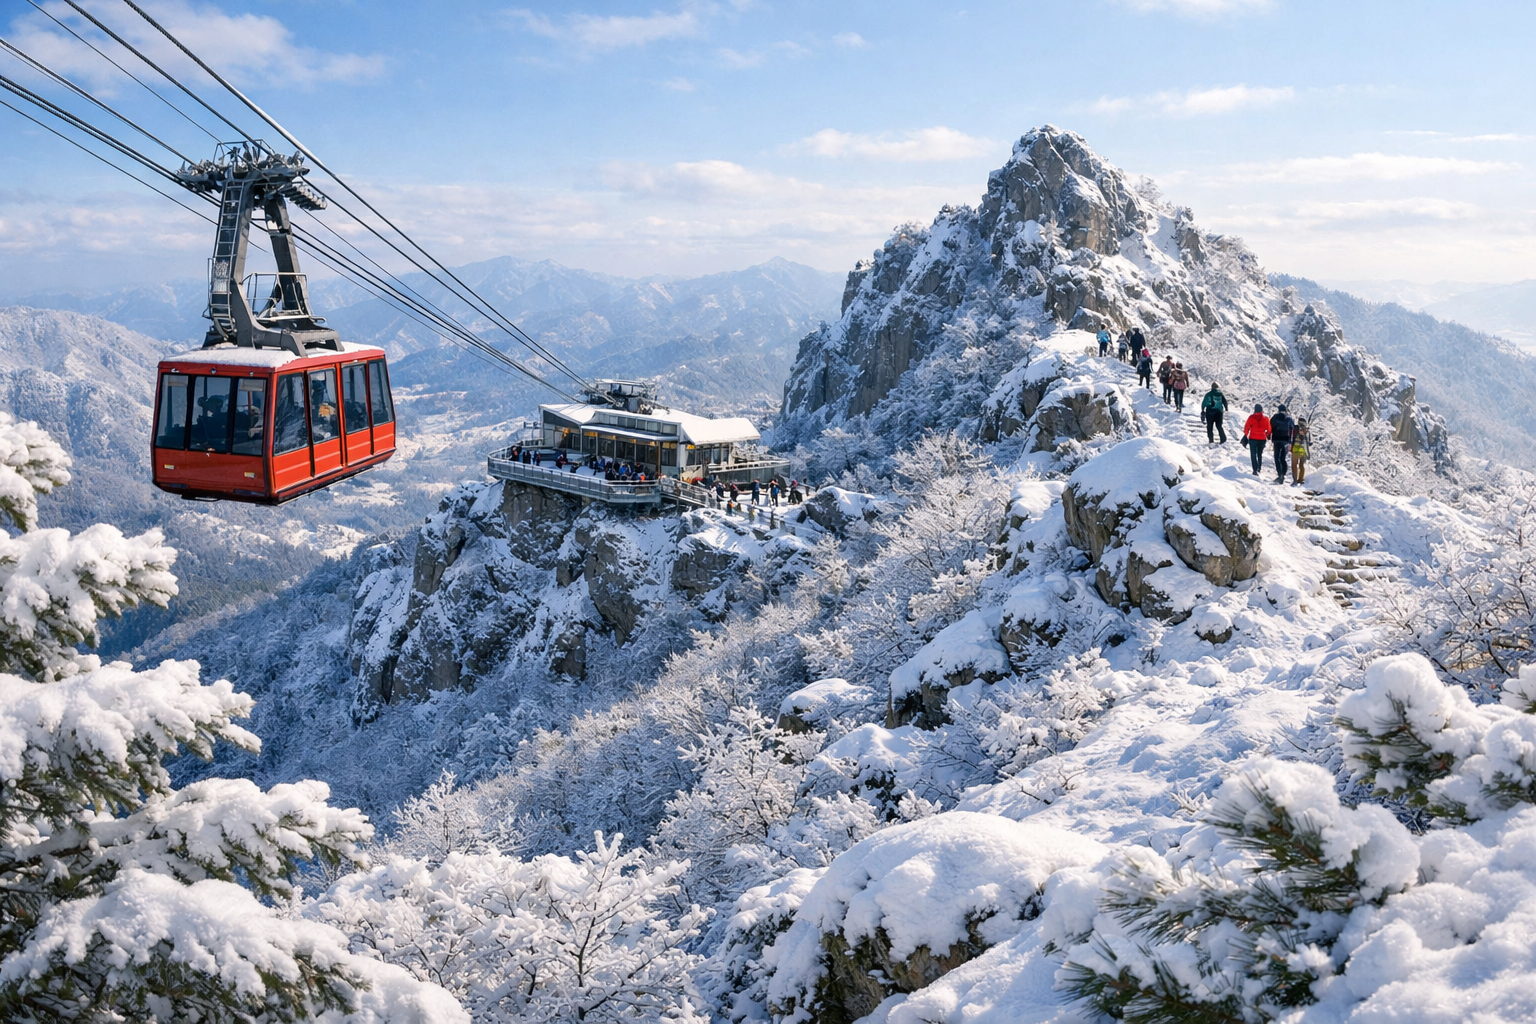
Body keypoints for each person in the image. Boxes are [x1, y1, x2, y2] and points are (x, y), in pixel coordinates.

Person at [1269, 403, 1295, 484]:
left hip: (1276, 440)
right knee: (1283, 458)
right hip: (1286, 441)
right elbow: (1292, 428)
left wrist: (1270, 436)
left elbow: (1270, 426)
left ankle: (1280, 475)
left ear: (1279, 410)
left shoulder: (1275, 417)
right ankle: (1283, 474)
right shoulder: (1289, 419)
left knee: (1277, 457)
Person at [1243, 404, 1271, 476]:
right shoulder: (1266, 419)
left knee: (1253, 454)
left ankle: (1254, 470)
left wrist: (1246, 434)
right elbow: (1268, 429)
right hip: (1262, 439)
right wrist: (1267, 435)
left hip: (1253, 439)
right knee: (1259, 454)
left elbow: (1247, 427)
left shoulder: (1251, 417)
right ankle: (1259, 468)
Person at [1291, 418, 1311, 486]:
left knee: (1294, 465)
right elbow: (1309, 442)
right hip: (1303, 450)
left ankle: (1295, 480)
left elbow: (1292, 437)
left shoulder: (1295, 428)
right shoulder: (1307, 431)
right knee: (1301, 465)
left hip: (1295, 449)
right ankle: (1301, 479)